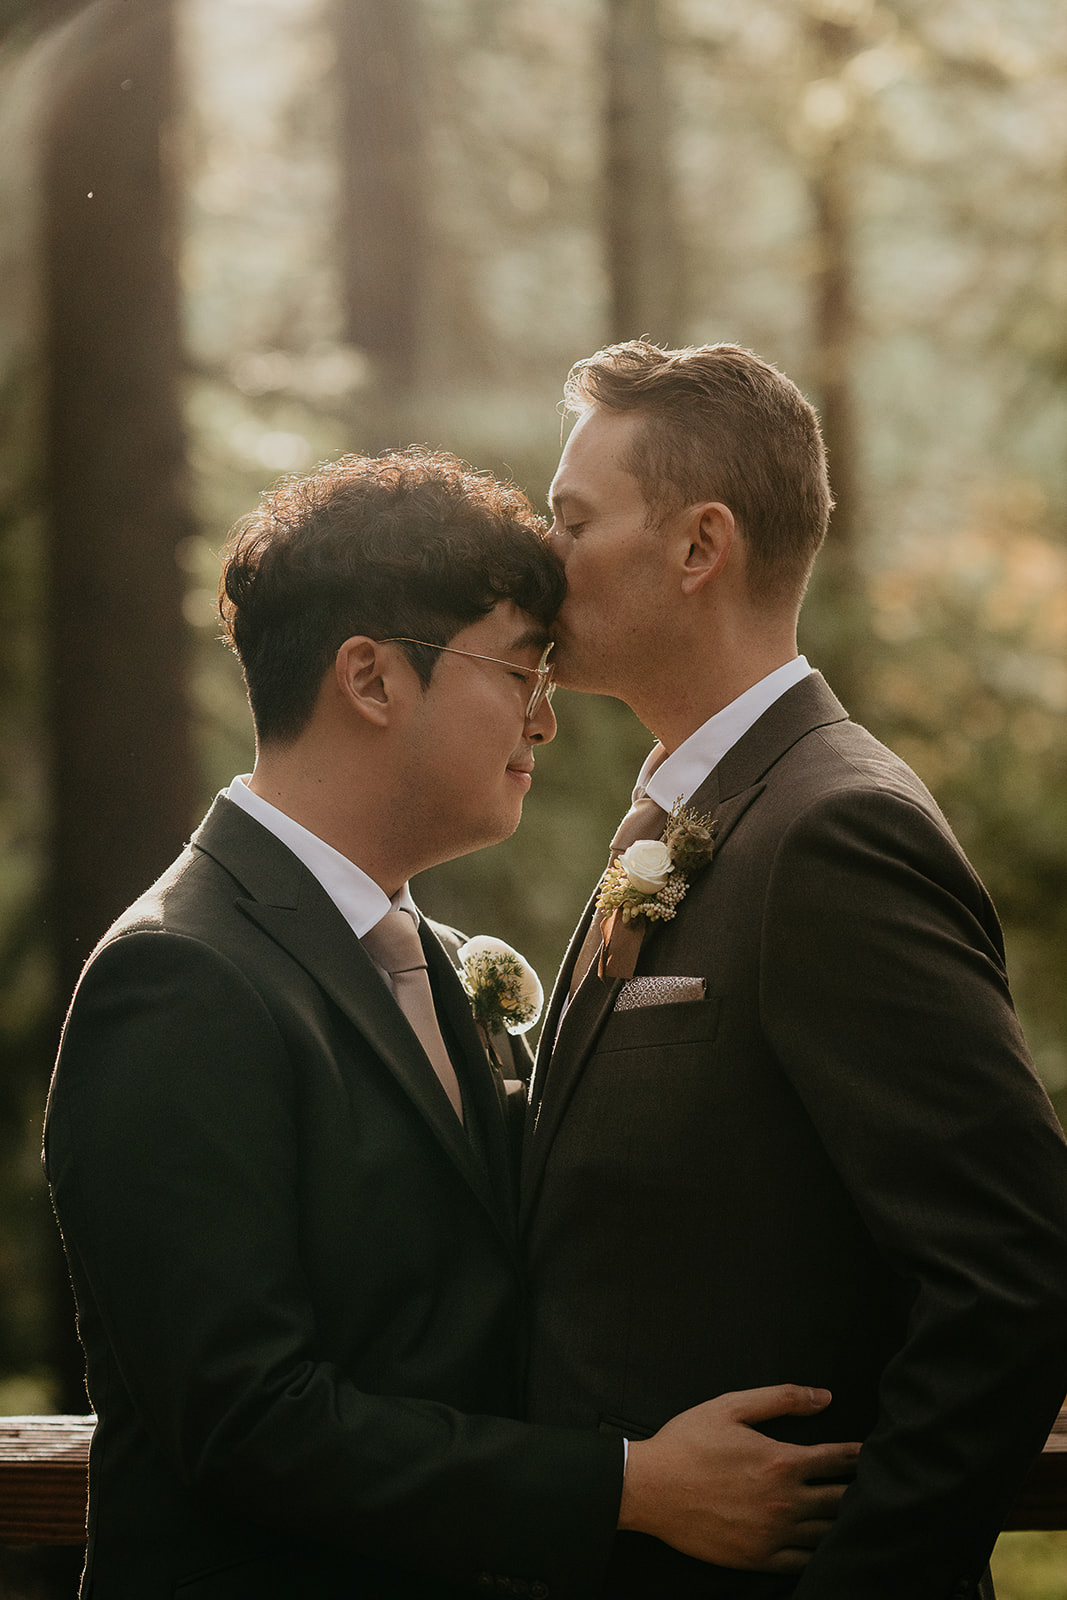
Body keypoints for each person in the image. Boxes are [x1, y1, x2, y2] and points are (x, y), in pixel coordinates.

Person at [44, 448, 858, 1600]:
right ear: (371, 680)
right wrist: (626, 1485)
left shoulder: (423, 957)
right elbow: (243, 1417)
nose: (546, 721)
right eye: (520, 671)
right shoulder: (179, 978)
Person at [522, 341, 1067, 1600]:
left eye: (573, 518)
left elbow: (1014, 1269)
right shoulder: (676, 815)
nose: (542, 555)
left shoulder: (831, 829)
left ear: (697, 546)